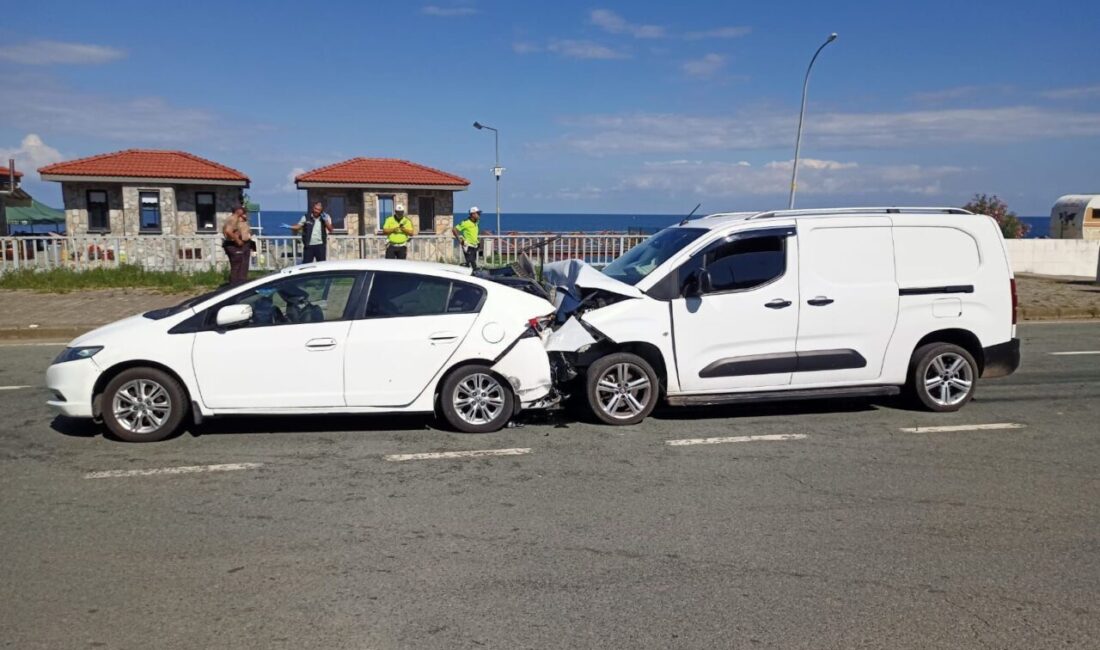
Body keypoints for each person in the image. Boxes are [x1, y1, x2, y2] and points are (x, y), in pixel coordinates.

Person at [222, 206, 253, 285]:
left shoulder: (241, 220)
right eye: (243, 211)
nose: (244, 213)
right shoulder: (234, 218)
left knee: (243, 265)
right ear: (238, 211)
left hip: (244, 243)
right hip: (235, 244)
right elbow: (228, 231)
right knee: (238, 265)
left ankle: (241, 282)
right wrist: (238, 240)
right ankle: (235, 284)